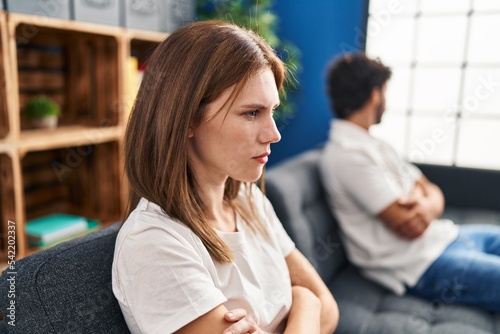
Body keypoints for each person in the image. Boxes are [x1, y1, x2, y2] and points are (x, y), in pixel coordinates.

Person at [112, 20, 339, 334]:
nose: (274, 134)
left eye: (272, 111)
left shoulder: (249, 199)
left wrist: (308, 301)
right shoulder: (154, 243)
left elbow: (326, 304)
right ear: (186, 119)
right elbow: (315, 302)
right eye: (251, 113)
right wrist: (304, 303)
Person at [319, 51, 500, 312]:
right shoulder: (346, 154)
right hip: (423, 264)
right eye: (385, 92)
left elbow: (430, 188)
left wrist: (426, 203)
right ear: (375, 95)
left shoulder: (375, 144)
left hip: (447, 235)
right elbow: (408, 223)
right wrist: (427, 200)